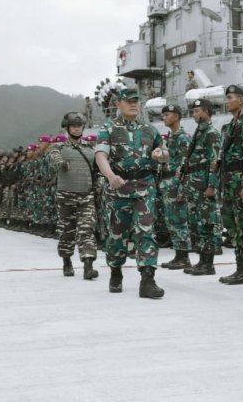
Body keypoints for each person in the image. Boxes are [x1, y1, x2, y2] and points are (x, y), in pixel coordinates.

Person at [95, 87, 165, 299]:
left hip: (144, 186)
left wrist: (161, 155)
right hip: (118, 188)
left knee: (146, 231)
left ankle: (148, 279)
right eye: (128, 101)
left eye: (136, 100)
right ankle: (116, 271)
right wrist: (110, 176)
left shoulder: (150, 130)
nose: (134, 104)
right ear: (118, 104)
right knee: (117, 234)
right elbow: (100, 155)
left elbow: (164, 153)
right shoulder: (108, 128)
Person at [48, 112, 99, 280]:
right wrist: (60, 163)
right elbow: (53, 158)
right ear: (67, 128)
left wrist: (100, 184)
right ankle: (67, 261)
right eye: (73, 126)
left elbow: (98, 170)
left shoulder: (91, 149)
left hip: (86, 196)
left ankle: (88, 265)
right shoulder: (59, 148)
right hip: (65, 197)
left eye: (79, 125)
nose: (77, 128)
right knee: (66, 232)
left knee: (87, 230)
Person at [216, 85, 243, 285]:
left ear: (241, 100)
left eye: (230, 97)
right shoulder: (227, 128)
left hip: (239, 183)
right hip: (227, 183)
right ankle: (239, 266)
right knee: (232, 227)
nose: (227, 101)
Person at [180, 99, 223, 275]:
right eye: (193, 111)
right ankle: (202, 261)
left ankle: (208, 264)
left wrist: (212, 185)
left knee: (207, 224)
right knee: (198, 224)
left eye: (198, 111)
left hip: (205, 186)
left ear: (206, 112)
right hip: (195, 186)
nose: (194, 114)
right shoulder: (199, 132)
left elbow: (215, 161)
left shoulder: (211, 133)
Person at [156, 105, 193, 270]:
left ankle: (183, 257)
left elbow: (186, 166)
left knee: (179, 221)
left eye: (167, 114)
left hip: (176, 184)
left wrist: (183, 189)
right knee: (171, 221)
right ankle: (178, 255)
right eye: (163, 114)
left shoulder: (183, 138)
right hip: (168, 184)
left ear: (177, 116)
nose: (164, 117)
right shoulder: (170, 138)